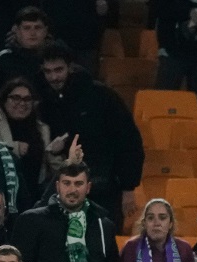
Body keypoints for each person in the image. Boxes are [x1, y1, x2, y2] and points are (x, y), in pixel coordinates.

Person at [36, 42, 144, 227]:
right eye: (48, 71)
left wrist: (128, 187)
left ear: (70, 67)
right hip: (65, 188)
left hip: (105, 188)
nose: (53, 77)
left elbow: (129, 140)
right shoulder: (44, 102)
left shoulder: (101, 96)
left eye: (58, 70)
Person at [0, 78, 65, 211]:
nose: (22, 103)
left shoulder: (42, 129)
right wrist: (15, 147)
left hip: (34, 197)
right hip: (1, 195)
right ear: (4, 100)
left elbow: (54, 169)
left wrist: (54, 152)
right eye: (16, 98)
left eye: (27, 99)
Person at [0, 6, 51, 104]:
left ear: (46, 31)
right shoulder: (2, 59)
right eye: (26, 28)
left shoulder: (55, 60)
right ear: (16, 31)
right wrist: (12, 107)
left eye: (37, 28)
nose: (32, 33)